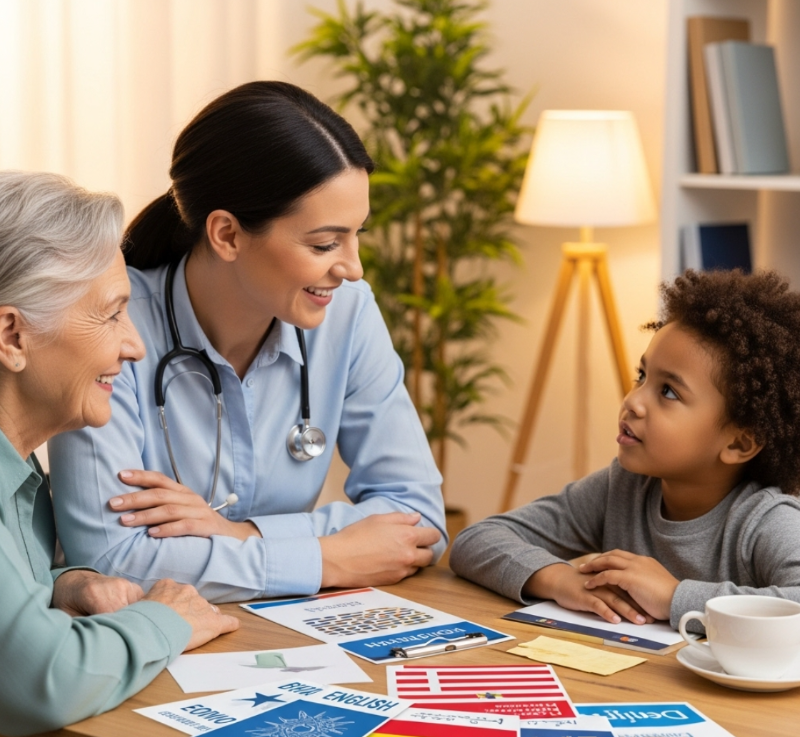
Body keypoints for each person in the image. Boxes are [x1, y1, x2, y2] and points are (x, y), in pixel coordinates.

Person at [48, 81, 446, 603]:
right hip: (155, 637)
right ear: (227, 234)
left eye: (357, 235)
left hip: (283, 630)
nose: (353, 268)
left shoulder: (347, 312)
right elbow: (111, 559)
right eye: (325, 244)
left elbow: (418, 517)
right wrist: (326, 558)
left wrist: (241, 534)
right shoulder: (107, 328)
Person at [0, 171, 239, 737]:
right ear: (12, 336)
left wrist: (64, 582)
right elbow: (42, 681)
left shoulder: (20, 470)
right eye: (111, 315)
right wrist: (165, 619)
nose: (135, 346)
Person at [450, 269, 800, 631]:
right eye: (642, 376)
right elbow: (476, 540)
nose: (632, 401)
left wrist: (674, 597)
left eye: (668, 392)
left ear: (739, 443)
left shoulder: (768, 521)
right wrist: (560, 580)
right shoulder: (622, 490)